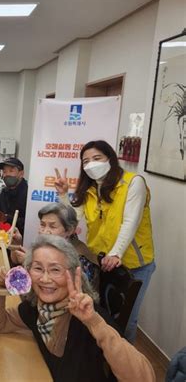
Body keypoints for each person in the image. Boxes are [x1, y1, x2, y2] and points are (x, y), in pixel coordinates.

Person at [0, 235, 155, 382]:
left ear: (75, 275)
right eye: (38, 268)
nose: (45, 279)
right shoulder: (37, 308)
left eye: (55, 270)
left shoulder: (89, 317)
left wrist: (94, 322)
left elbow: (144, 378)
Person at [54, 140, 155, 342]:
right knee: (100, 314)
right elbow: (73, 218)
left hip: (133, 263)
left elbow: (130, 222)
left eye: (97, 158)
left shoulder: (133, 182)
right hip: (100, 261)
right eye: (86, 161)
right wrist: (64, 195)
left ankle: (126, 369)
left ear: (110, 158)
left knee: (126, 321)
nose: (91, 164)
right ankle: (100, 362)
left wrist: (116, 252)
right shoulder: (89, 189)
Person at [10, 202, 100, 290]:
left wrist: (30, 263)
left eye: (52, 227)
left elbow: (70, 290)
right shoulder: (47, 246)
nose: (45, 231)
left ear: (69, 230)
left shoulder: (81, 258)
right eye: (42, 225)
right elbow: (15, 261)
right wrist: (16, 244)